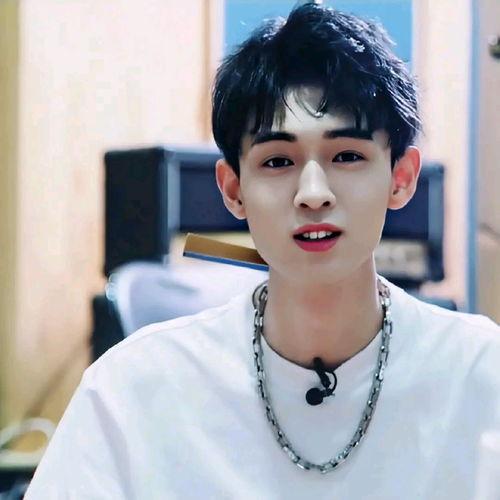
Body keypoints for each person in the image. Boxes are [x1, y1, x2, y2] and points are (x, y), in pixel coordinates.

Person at [26, 3, 500, 499]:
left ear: (401, 178)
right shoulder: (132, 390)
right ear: (233, 189)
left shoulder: (480, 375)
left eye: (346, 156)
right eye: (277, 161)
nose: (313, 193)